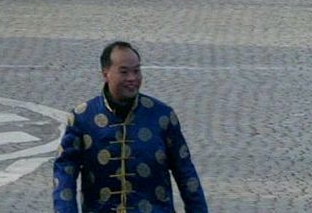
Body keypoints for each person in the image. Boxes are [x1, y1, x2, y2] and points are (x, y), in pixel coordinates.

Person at [52, 42, 209, 213]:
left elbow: (185, 172)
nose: (132, 78)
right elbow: (65, 172)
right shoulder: (83, 118)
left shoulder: (162, 116)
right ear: (106, 74)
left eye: (136, 71)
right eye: (124, 72)